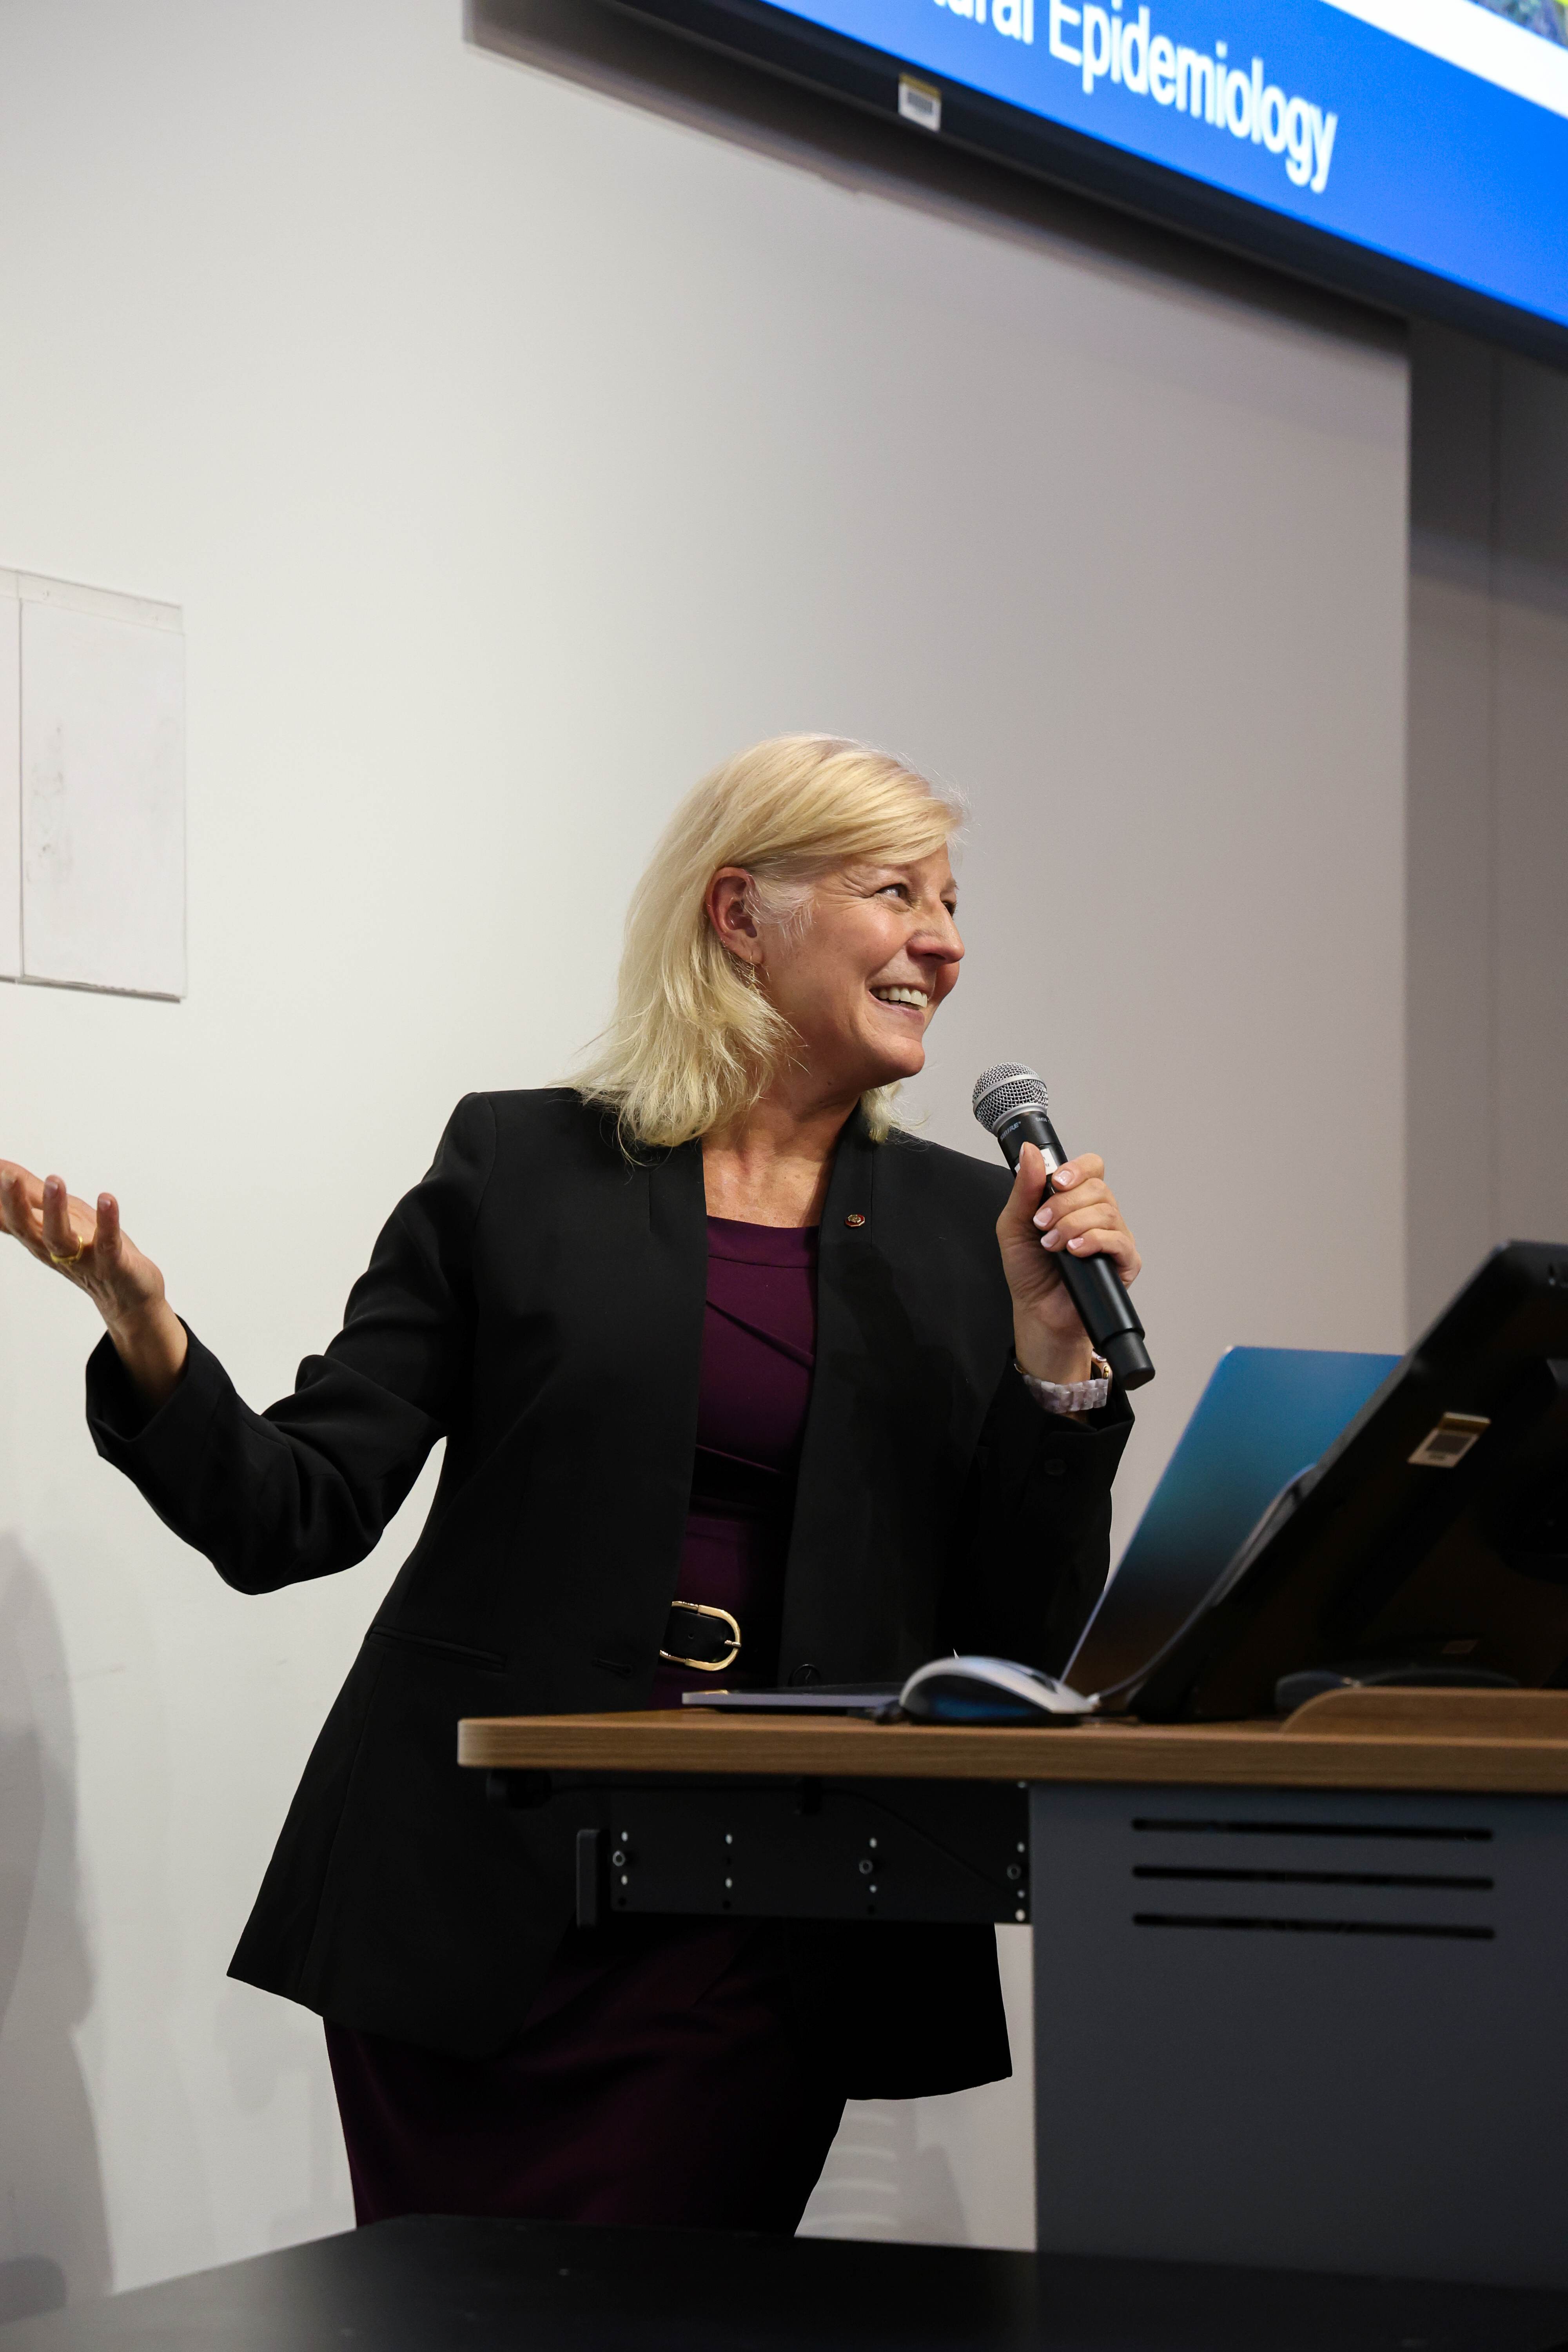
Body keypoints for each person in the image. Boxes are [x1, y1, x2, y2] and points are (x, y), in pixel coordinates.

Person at [0, 735, 1141, 2234]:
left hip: (761, 1909)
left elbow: (1013, 1638)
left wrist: (1060, 1365)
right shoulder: (520, 1165)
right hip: (475, 1894)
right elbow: (298, 1510)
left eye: (948, 898)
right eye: (894, 891)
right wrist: (147, 1335)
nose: (945, 938)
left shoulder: (960, 1228)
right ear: (740, 914)